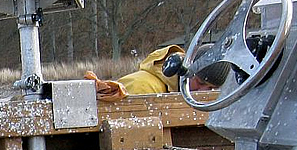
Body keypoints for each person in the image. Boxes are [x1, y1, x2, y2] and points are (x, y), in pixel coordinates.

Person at [86, 44, 230, 102]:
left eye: (211, 89)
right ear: (185, 70)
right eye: (200, 83)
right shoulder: (142, 87)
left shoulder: (180, 95)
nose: (203, 92)